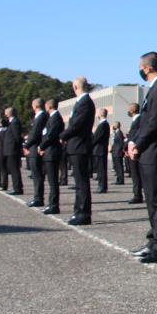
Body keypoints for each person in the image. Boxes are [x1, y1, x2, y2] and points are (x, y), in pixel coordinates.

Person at [127, 52, 157, 264]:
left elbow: (154, 122)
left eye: (141, 66)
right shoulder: (154, 89)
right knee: (152, 200)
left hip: (155, 152)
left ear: (147, 68)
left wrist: (138, 143)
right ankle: (153, 240)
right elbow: (145, 122)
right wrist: (133, 141)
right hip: (149, 152)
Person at [60, 77, 95, 225]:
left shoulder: (85, 103)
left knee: (82, 182)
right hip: (76, 145)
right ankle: (78, 211)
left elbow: (76, 125)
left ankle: (83, 213)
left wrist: (62, 135)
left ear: (75, 86)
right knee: (79, 182)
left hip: (80, 145)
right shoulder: (81, 102)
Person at [38, 99, 64, 214]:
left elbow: (51, 135)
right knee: (51, 180)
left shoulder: (56, 118)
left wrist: (42, 146)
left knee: (53, 181)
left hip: (52, 152)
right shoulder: (52, 118)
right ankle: (51, 204)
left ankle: (54, 205)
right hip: (49, 151)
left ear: (48, 107)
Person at [24, 98, 49, 207]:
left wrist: (26, 145)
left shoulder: (41, 117)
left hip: (36, 148)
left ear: (34, 106)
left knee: (37, 175)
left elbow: (35, 133)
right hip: (35, 147)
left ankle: (38, 198)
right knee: (36, 174)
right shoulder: (40, 116)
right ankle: (37, 197)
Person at [1, 107, 23, 196]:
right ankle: (17, 187)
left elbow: (17, 136)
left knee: (14, 170)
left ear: (9, 113)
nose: (5, 114)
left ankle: (17, 188)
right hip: (10, 150)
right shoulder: (11, 122)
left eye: (6, 113)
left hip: (13, 150)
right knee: (13, 169)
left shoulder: (15, 123)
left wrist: (18, 148)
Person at [125, 103, 144, 204]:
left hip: (135, 150)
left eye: (129, 109)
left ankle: (137, 195)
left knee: (136, 174)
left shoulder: (138, 120)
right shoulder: (136, 120)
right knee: (135, 173)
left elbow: (134, 135)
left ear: (132, 110)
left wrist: (130, 145)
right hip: (132, 149)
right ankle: (137, 194)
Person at [92, 108, 110, 194]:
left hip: (100, 150)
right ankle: (102, 185)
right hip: (100, 150)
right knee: (100, 169)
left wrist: (90, 143)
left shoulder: (103, 125)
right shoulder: (103, 124)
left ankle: (102, 186)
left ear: (101, 114)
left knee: (101, 169)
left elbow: (97, 138)